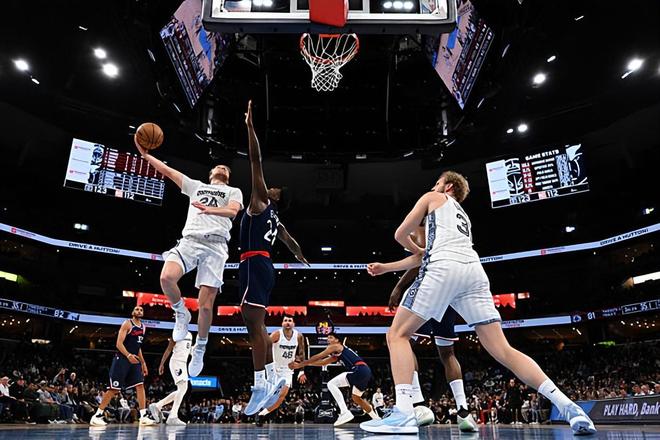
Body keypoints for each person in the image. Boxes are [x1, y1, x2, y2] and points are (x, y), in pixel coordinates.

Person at [360, 171, 596, 435]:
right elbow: (426, 255)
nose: (433, 186)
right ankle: (567, 406)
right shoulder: (461, 216)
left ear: (448, 186)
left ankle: (404, 412)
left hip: (444, 268)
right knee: (503, 350)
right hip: (473, 272)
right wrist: (386, 267)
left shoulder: (432, 198)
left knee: (397, 335)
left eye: (437, 183)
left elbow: (400, 235)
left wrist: (417, 249)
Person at [134, 136, 243, 378]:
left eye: (226, 168)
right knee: (166, 278)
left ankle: (200, 347)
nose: (222, 168)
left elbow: (233, 211)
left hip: (216, 246)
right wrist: (146, 155)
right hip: (191, 241)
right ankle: (181, 312)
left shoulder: (233, 191)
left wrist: (210, 209)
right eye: (219, 166)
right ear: (211, 173)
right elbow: (168, 171)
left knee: (206, 306)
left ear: (228, 177)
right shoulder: (195, 186)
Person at [367, 222, 478, 432]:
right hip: (451, 290)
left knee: (402, 340)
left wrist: (398, 287)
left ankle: (418, 405)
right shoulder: (449, 230)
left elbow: (420, 261)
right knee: (448, 353)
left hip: (428, 291)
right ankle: (463, 411)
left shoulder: (419, 230)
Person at [240, 100, 309, 416]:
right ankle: (268, 378)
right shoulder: (275, 219)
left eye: (275, 188)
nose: (270, 187)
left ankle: (260, 385)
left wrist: (250, 127)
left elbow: (255, 160)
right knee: (258, 324)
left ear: (275, 196)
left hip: (254, 262)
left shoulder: (261, 201)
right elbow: (291, 242)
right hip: (263, 265)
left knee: (253, 324)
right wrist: (301, 256)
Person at [290, 332, 380, 426]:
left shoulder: (335, 346)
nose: (328, 339)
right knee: (356, 398)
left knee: (331, 384)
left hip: (358, 369)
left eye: (330, 337)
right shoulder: (338, 353)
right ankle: (376, 419)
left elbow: (318, 356)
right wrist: (307, 363)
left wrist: (300, 364)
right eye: (327, 337)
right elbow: (323, 362)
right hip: (365, 371)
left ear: (337, 340)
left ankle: (345, 412)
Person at [90, 306, 156, 426]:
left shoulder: (143, 327)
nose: (139, 311)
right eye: (137, 309)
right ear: (132, 312)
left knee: (140, 385)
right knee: (114, 389)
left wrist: (143, 363)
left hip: (134, 360)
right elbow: (118, 344)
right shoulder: (127, 324)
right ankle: (97, 415)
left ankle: (143, 416)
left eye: (141, 310)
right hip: (122, 359)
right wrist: (128, 355)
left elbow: (138, 347)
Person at [257, 315, 307, 418]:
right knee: (270, 393)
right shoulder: (277, 334)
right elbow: (265, 347)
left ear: (293, 324)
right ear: (282, 323)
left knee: (281, 396)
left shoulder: (299, 336)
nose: (288, 322)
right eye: (285, 320)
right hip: (274, 368)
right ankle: (259, 409)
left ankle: (262, 414)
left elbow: (302, 353)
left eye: (290, 320)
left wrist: (302, 370)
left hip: (288, 369)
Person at [149, 332, 193, 425]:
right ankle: (172, 416)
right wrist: (161, 364)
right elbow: (168, 349)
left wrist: (195, 351)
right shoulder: (177, 332)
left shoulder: (190, 335)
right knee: (182, 388)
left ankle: (158, 405)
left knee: (182, 390)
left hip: (183, 364)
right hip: (176, 362)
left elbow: (188, 350)